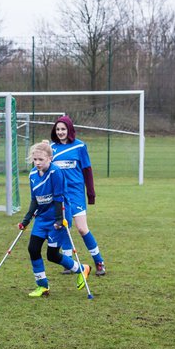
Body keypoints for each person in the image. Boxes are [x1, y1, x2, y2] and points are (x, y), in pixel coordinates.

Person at [18, 142, 90, 297]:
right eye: (35, 159)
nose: (37, 163)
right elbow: (34, 199)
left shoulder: (55, 172)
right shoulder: (32, 175)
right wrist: (26, 220)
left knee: (52, 255)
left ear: (49, 158)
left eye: (41, 160)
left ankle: (81, 268)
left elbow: (59, 197)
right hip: (42, 218)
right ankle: (43, 286)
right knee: (33, 249)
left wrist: (59, 220)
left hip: (59, 217)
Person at [49, 116, 107, 276]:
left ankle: (99, 262)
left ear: (69, 130)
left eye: (63, 129)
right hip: (60, 195)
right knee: (64, 227)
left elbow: (87, 171)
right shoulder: (51, 148)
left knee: (82, 228)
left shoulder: (80, 146)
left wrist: (91, 193)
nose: (60, 132)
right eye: (58, 129)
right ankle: (69, 263)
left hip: (76, 194)